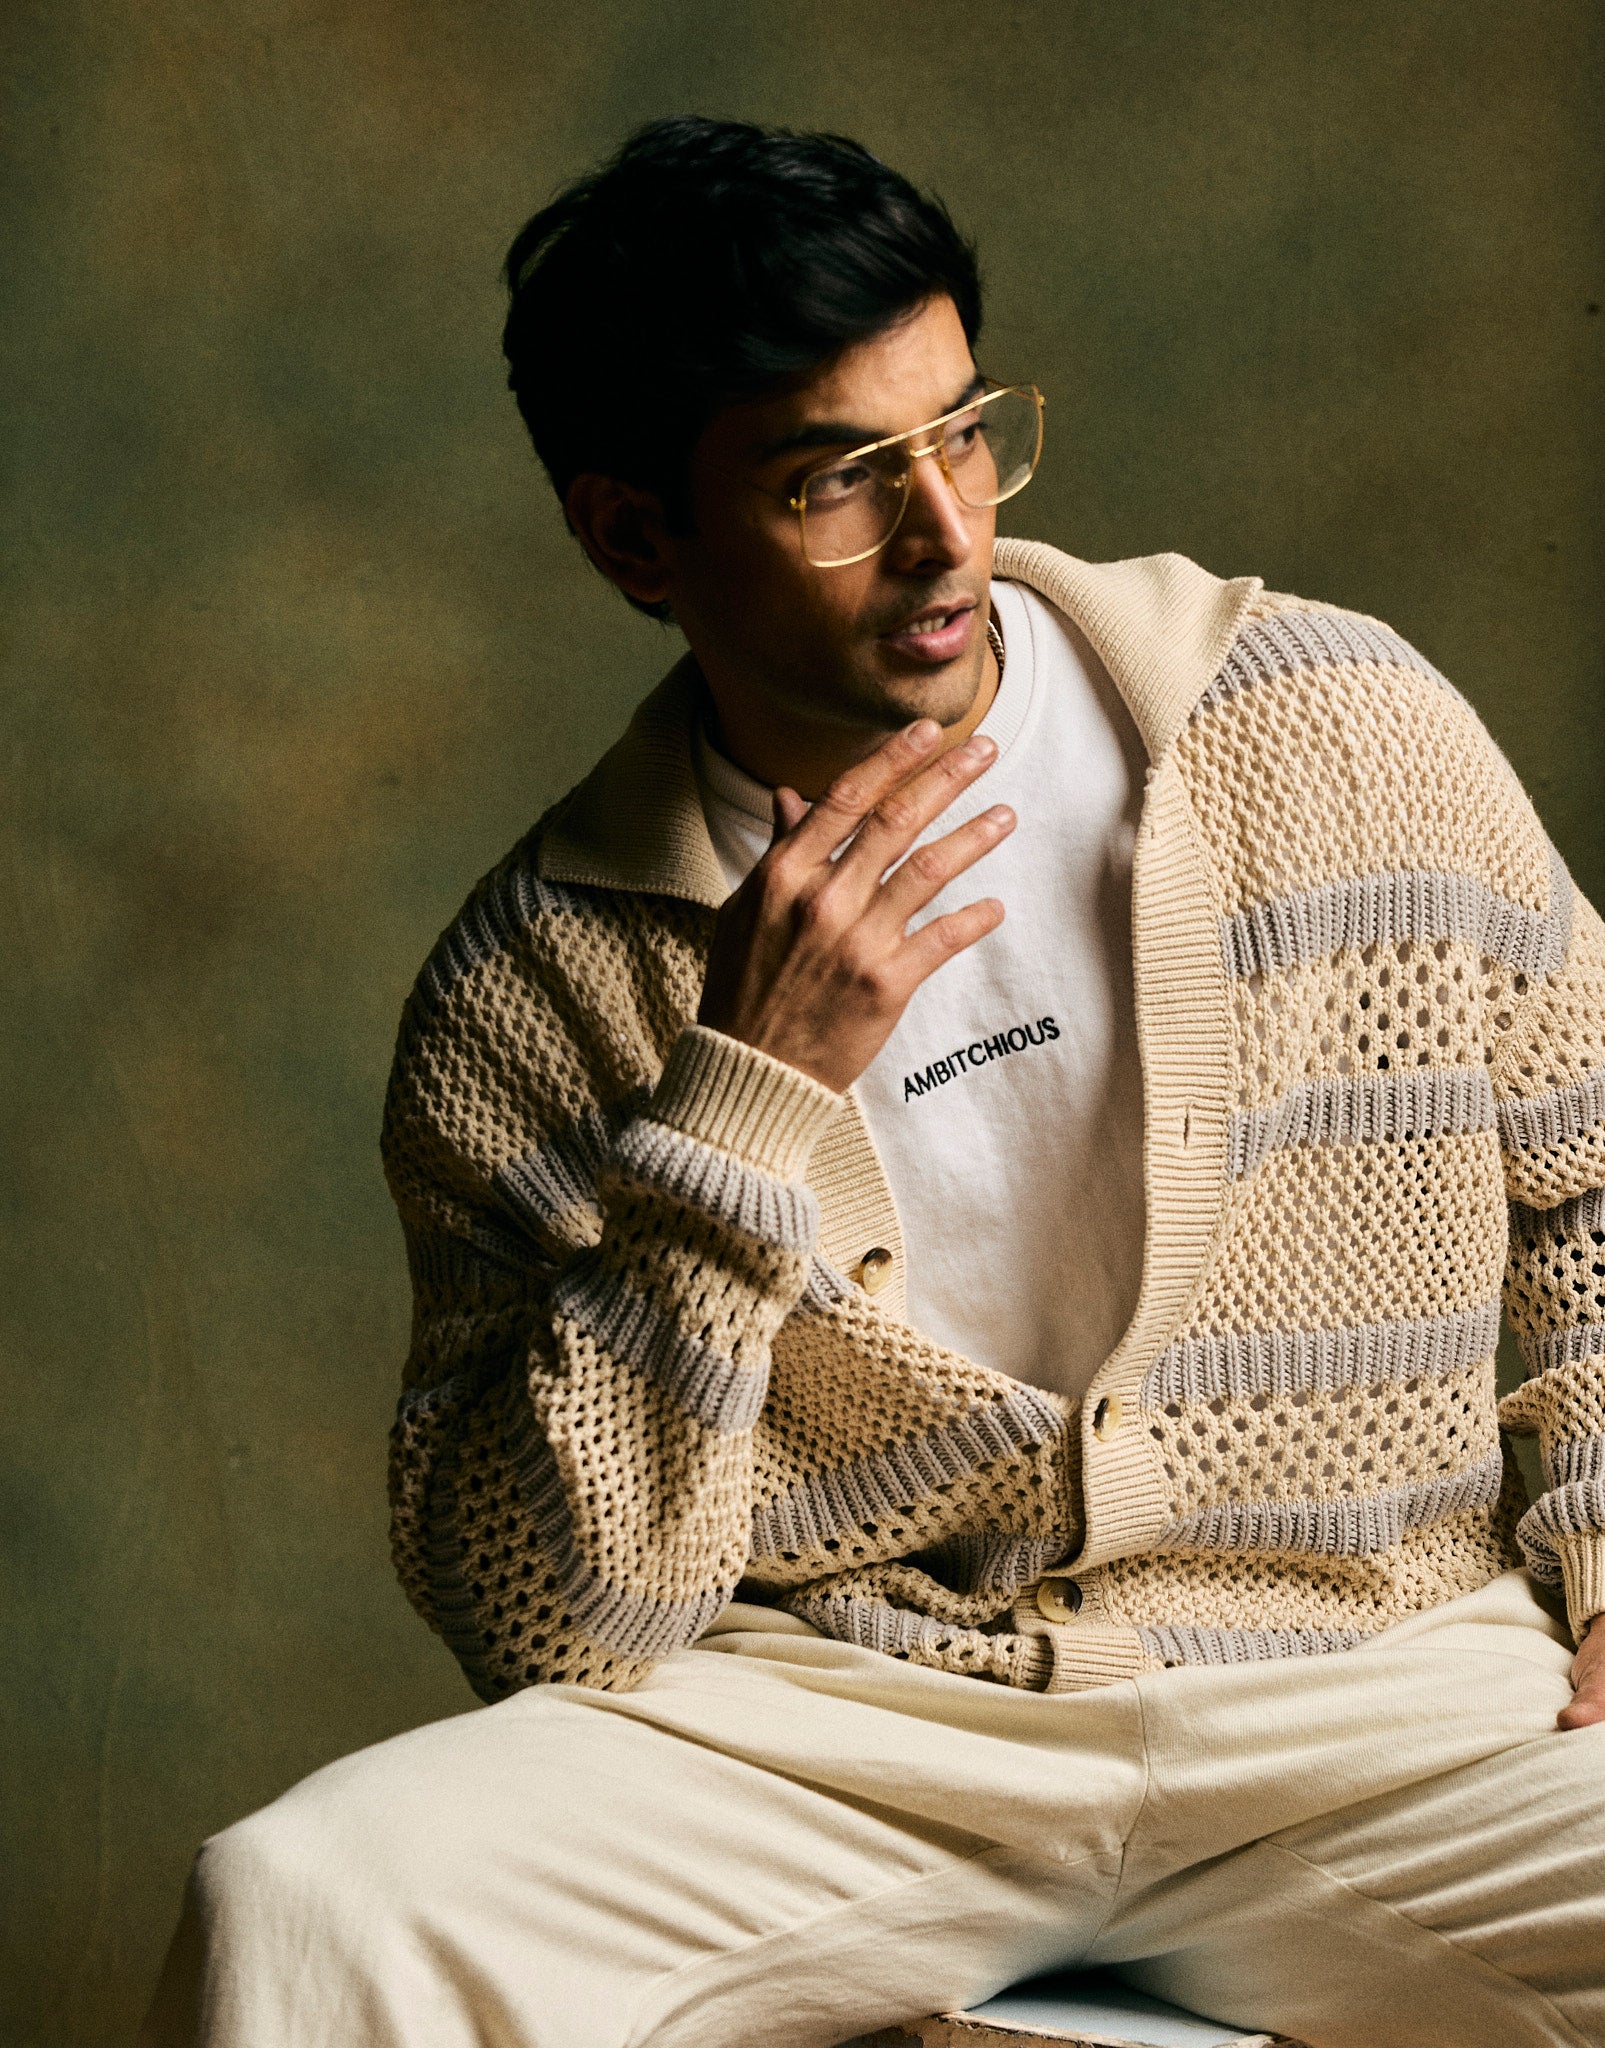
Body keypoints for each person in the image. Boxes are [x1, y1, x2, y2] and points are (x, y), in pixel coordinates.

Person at [143, 117, 1605, 2048]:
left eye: (962, 433)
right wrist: (743, 1097)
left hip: (1378, 1690)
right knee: (309, 1908)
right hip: (849, 1733)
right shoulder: (534, 989)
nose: (940, 530)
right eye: (833, 477)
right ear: (633, 537)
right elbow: (551, 1617)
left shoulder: (1326, 720)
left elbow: (1592, 1172)